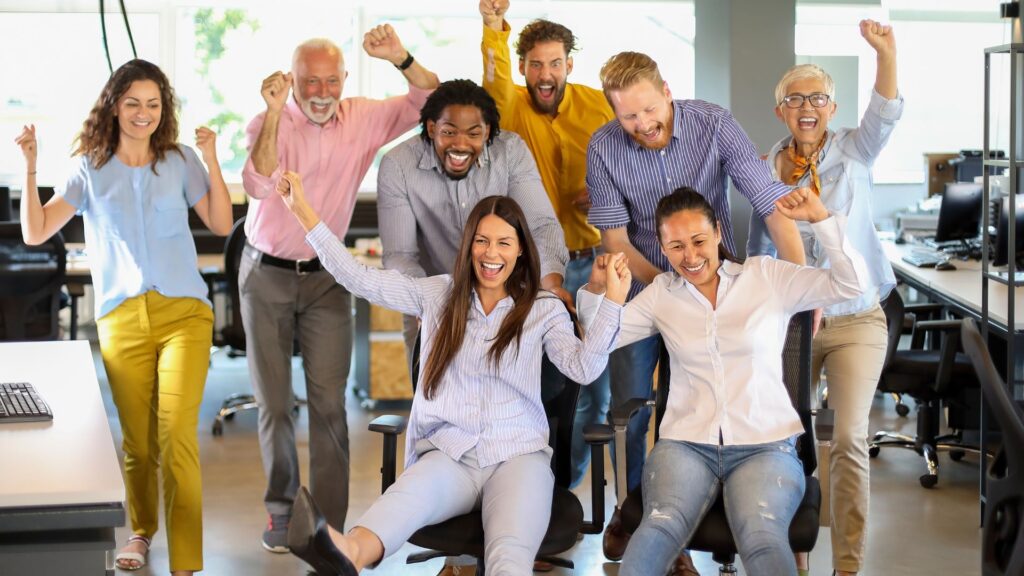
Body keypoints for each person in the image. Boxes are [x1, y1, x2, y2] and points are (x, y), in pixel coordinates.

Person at [275, 173, 628, 575]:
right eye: (481, 240)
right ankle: (349, 552)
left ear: (520, 252)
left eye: (503, 243)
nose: (490, 253)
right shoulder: (437, 294)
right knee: (404, 501)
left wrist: (612, 302)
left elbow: (583, 366)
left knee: (509, 560)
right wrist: (301, 211)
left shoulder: (542, 309)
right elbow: (359, 278)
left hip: (518, 458)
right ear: (468, 246)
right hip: (448, 453)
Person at [585, 50, 807, 565]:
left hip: (715, 281)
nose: (642, 124)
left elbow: (769, 202)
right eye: (627, 117)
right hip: (647, 286)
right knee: (634, 412)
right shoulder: (603, 147)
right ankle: (642, 515)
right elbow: (615, 239)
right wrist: (673, 288)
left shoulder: (713, 124)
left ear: (666, 89)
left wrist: (796, 285)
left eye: (648, 109)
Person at [578, 186, 866, 576]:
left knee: (762, 535)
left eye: (698, 241)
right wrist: (597, 290)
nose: (691, 257)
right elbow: (599, 338)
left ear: (717, 233)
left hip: (765, 444)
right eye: (676, 246)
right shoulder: (663, 292)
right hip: (686, 446)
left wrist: (822, 221)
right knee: (658, 527)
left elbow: (849, 285)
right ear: (662, 248)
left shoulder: (765, 276)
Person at [15, 59, 232, 575]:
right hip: (121, 319)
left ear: (164, 109)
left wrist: (212, 157)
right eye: (133, 102)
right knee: (137, 441)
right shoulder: (88, 166)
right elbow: (35, 231)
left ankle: (185, 563)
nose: (144, 113)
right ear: (114, 104)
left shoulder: (180, 161)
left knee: (176, 435)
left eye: (154, 104)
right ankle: (141, 532)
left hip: (184, 313)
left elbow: (222, 223)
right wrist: (29, 166)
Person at [240, 25, 439, 553]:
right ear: (292, 79)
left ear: (344, 79)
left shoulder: (364, 116)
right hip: (266, 276)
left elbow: (430, 98)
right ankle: (281, 510)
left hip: (327, 278)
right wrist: (276, 111)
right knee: (276, 403)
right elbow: (259, 183)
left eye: (331, 81)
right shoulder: (270, 120)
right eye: (310, 82)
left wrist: (400, 57)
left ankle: (323, 525)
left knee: (329, 406)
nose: (321, 92)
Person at [745, 20, 901, 576]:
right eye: (795, 99)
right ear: (780, 111)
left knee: (851, 440)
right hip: (795, 324)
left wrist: (886, 51)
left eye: (818, 97)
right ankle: (795, 556)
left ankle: (849, 566)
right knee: (785, 440)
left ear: (832, 108)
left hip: (857, 319)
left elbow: (884, 109)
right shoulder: (763, 170)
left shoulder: (856, 151)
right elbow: (759, 253)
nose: (806, 106)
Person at [479, 0, 615, 492]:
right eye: (535, 63)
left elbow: (632, 160)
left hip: (592, 267)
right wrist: (493, 27)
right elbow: (492, 83)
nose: (545, 73)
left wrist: (604, 192)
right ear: (523, 67)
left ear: (568, 66)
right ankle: (530, 489)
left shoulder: (598, 104)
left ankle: (563, 492)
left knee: (591, 395)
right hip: (532, 277)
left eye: (554, 63)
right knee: (532, 388)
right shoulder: (511, 105)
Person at [377, 78, 568, 375]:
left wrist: (551, 285)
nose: (460, 145)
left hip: (507, 302)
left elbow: (541, 226)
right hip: (433, 303)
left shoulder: (511, 152)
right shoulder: (398, 164)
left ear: (488, 131)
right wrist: (425, 304)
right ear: (431, 129)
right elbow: (400, 253)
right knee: (433, 400)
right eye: (448, 132)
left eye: (474, 133)